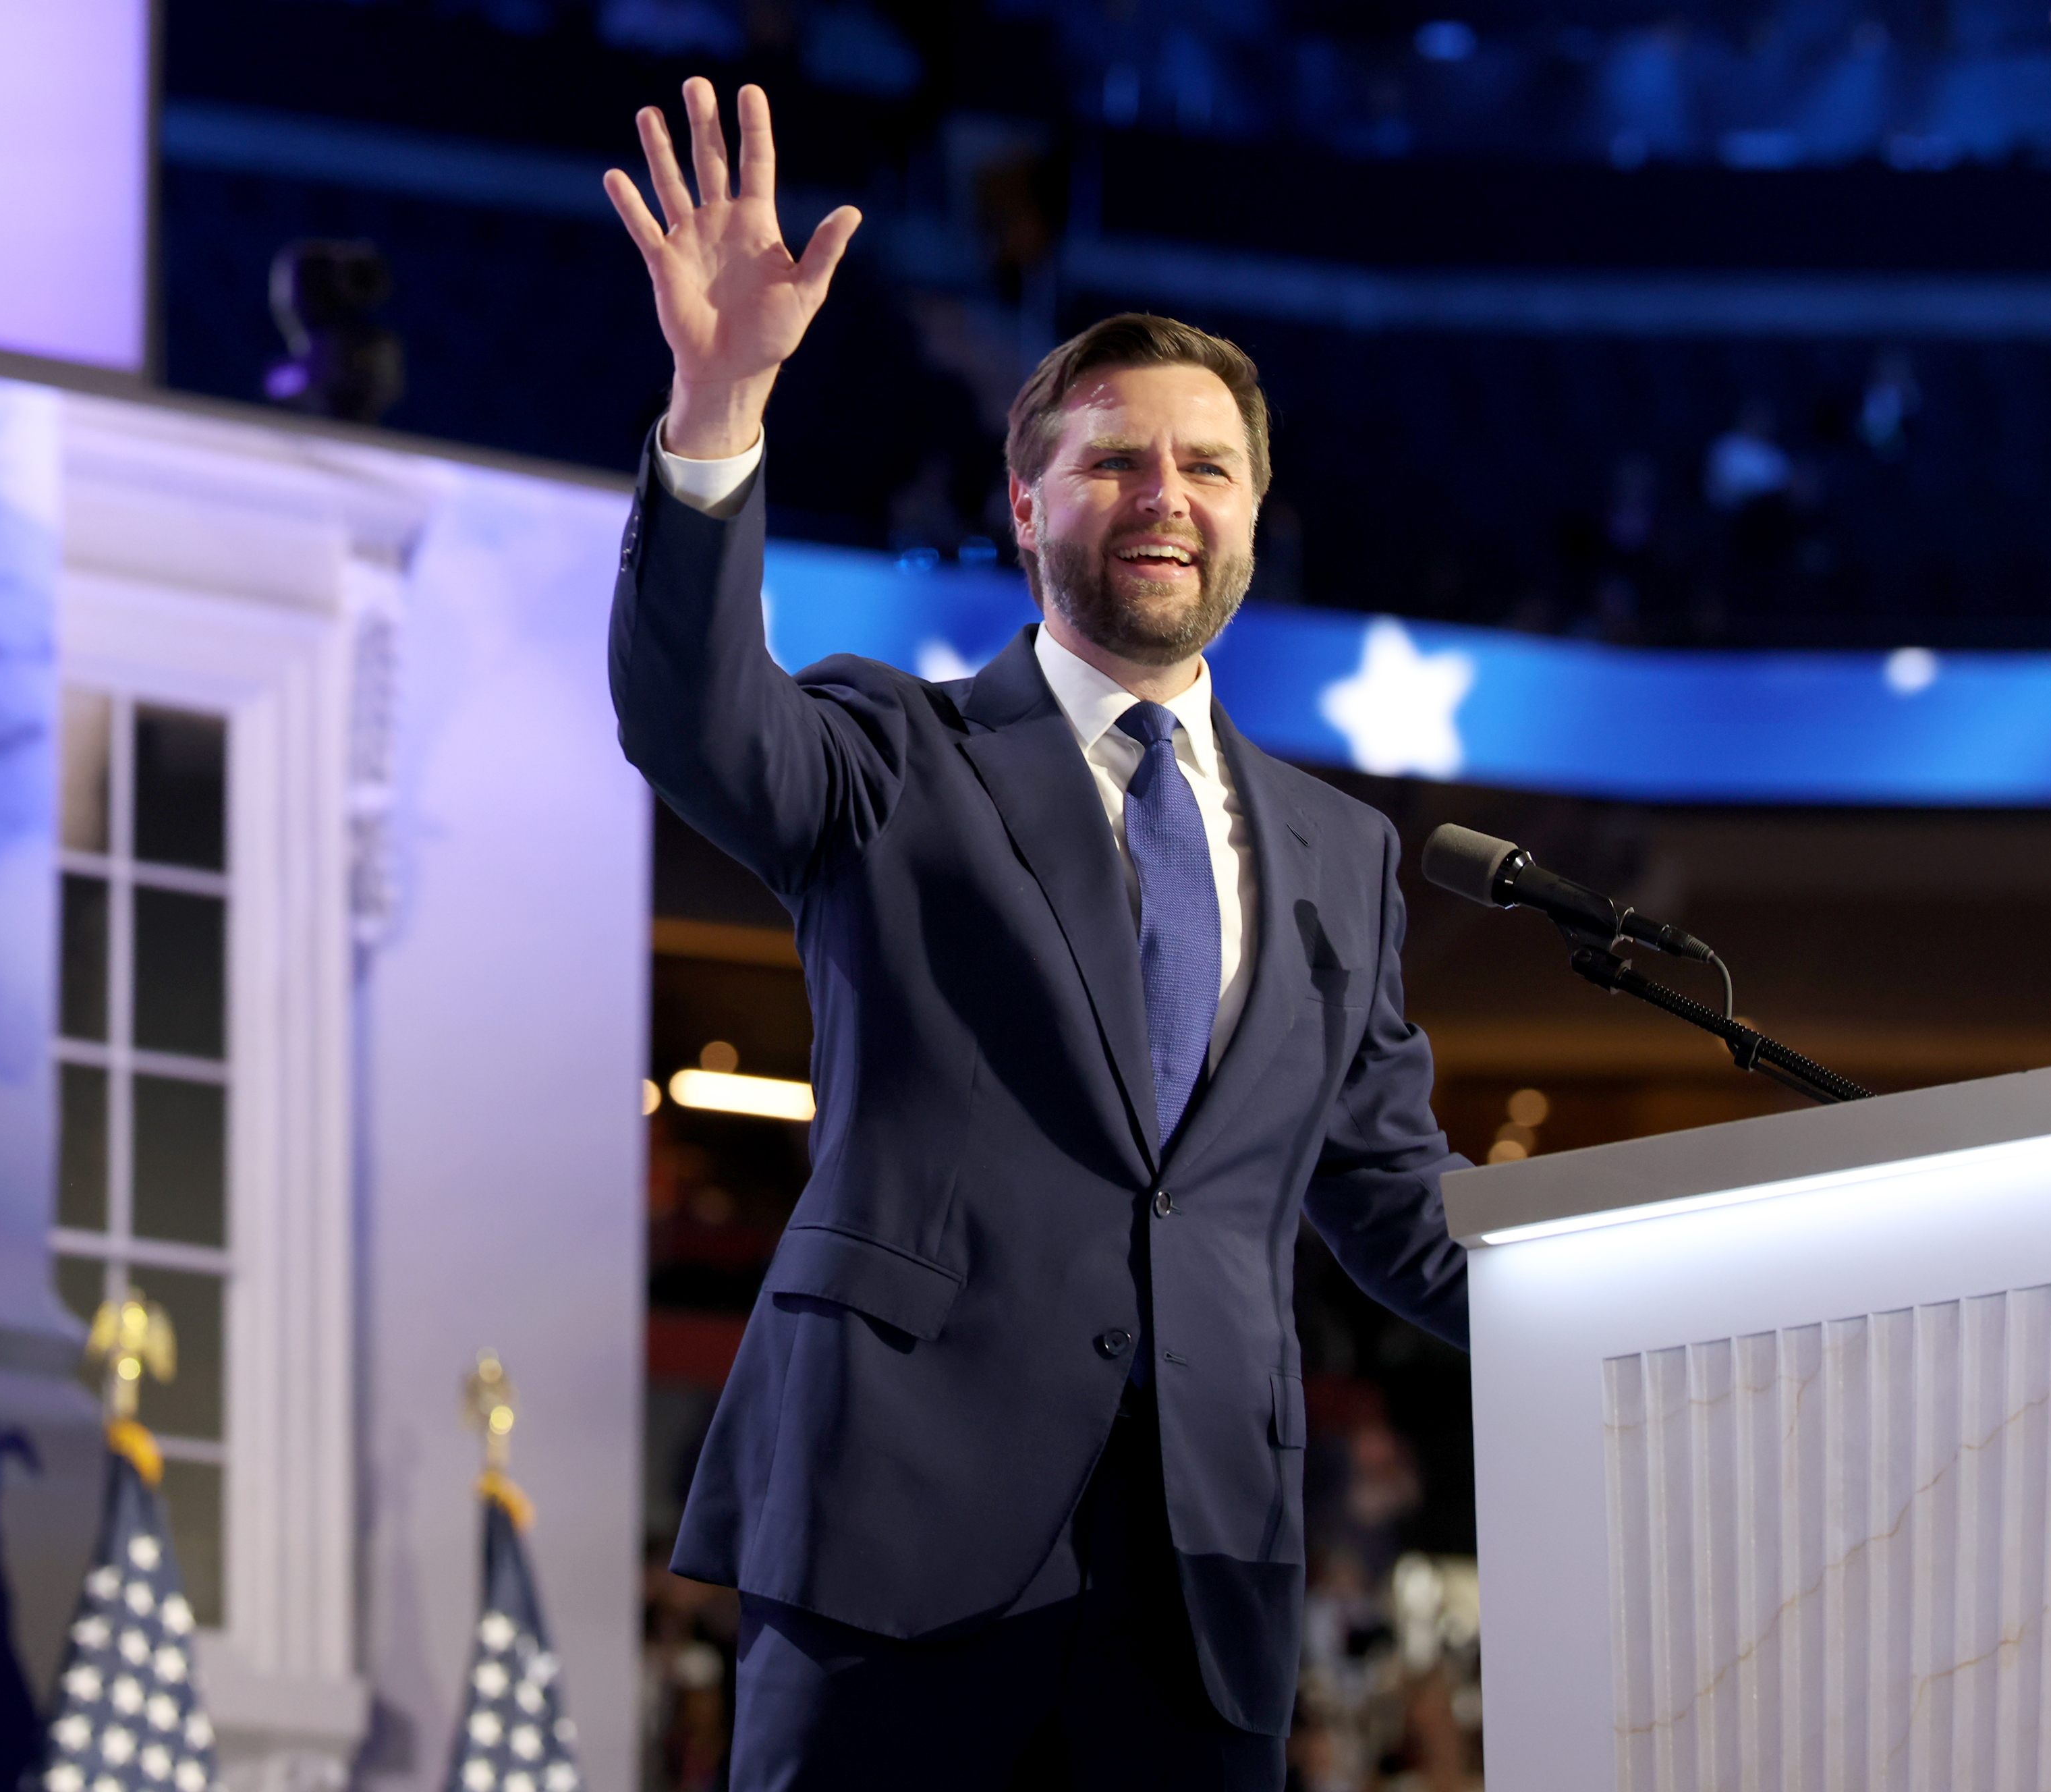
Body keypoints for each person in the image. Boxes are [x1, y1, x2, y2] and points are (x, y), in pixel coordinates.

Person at [602, 79, 1469, 1792]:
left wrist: (1674, 1303)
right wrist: (718, 409)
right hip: (894, 1548)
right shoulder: (893, 753)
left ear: (1251, 510)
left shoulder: (1339, 854)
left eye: (1207, 466)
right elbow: (695, 722)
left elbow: (1397, 1202)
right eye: (1117, 460)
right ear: (1026, 506)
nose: (1167, 495)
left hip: (1203, 1578)